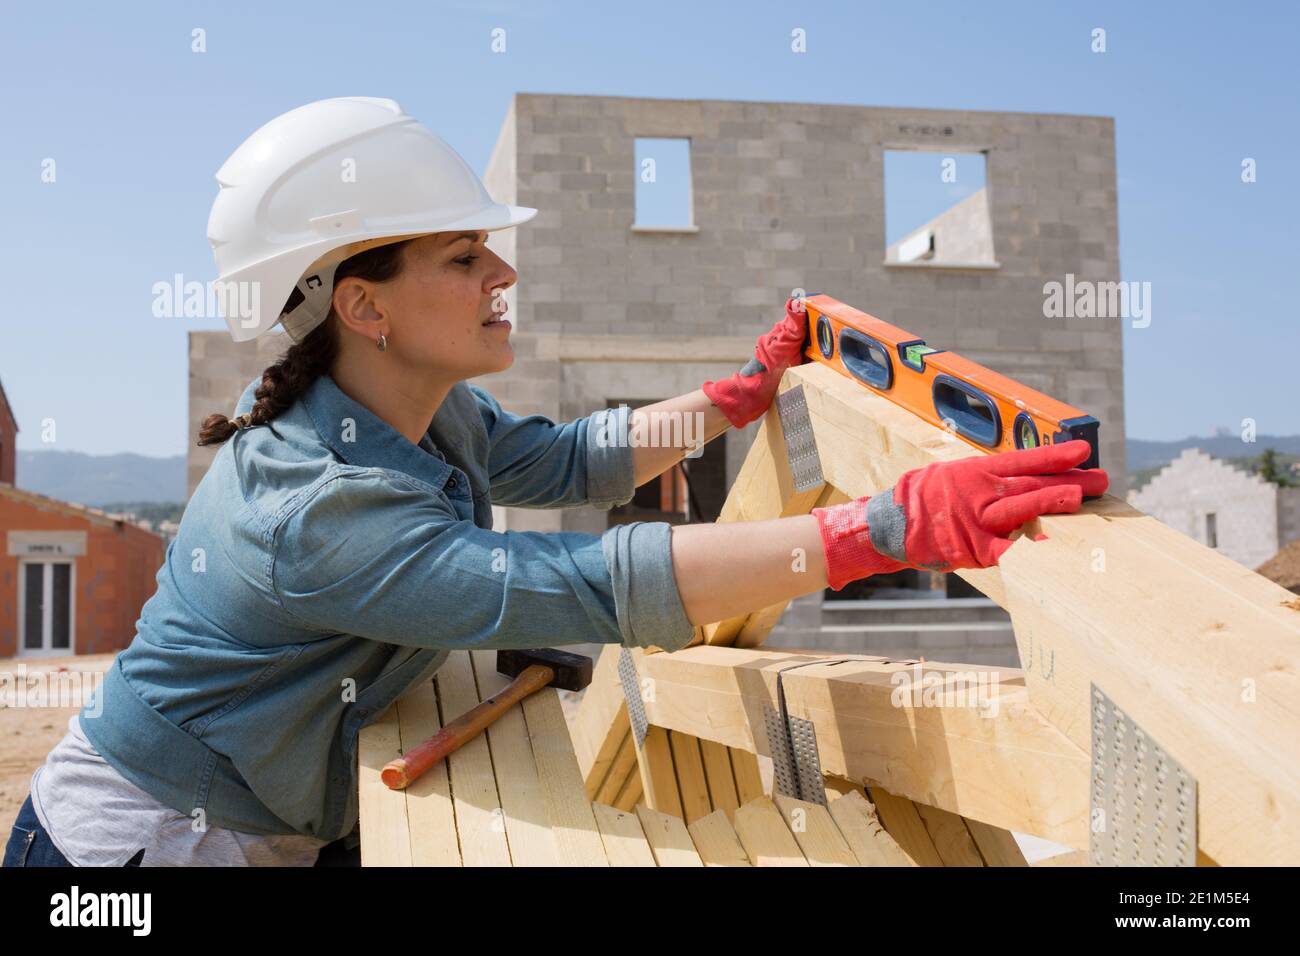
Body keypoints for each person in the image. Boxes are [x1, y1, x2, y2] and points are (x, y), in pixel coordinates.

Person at [3, 97, 1107, 868]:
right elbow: (576, 578)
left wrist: (728, 399)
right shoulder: (312, 505)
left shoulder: (428, 410)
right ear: (363, 305)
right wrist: (878, 530)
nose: (504, 273)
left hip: (272, 814)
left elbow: (567, 462)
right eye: (461, 256)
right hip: (140, 847)